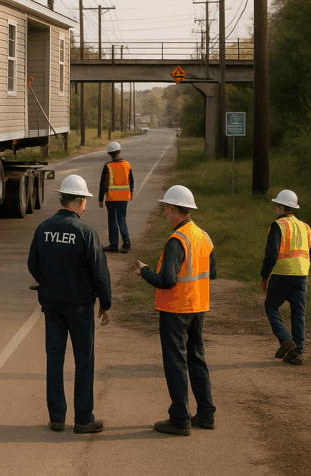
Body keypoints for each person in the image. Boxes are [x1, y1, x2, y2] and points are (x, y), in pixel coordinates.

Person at [28, 174, 111, 435]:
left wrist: (48, 283)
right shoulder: (86, 232)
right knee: (83, 360)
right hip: (80, 306)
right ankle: (84, 418)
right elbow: (99, 272)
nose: (85, 205)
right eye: (84, 201)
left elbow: (33, 263)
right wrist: (105, 302)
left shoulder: (43, 228)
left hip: (51, 304)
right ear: (76, 201)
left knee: (54, 359)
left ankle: (56, 418)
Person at [133, 185, 217, 436]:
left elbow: (167, 280)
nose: (164, 213)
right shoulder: (203, 236)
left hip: (175, 310)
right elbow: (211, 272)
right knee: (197, 359)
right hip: (198, 307)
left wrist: (145, 271)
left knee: (176, 363)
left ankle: (180, 418)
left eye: (165, 209)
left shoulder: (177, 240)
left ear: (173, 210)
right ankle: (206, 412)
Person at [261, 190, 311, 366]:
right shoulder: (305, 227)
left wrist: (264, 276)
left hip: (282, 273)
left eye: (277, 205)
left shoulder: (278, 225)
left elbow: (271, 255)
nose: (276, 208)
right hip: (302, 274)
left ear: (282, 207)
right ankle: (297, 351)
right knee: (298, 312)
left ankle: (285, 340)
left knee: (271, 306)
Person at [99, 141, 134, 253]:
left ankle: (114, 244)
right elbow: (131, 181)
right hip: (124, 198)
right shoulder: (127, 165)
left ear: (110, 154)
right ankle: (126, 243)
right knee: (122, 219)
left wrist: (100, 198)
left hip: (111, 198)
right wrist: (131, 193)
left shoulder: (108, 166)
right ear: (119, 151)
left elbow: (103, 183)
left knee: (112, 220)